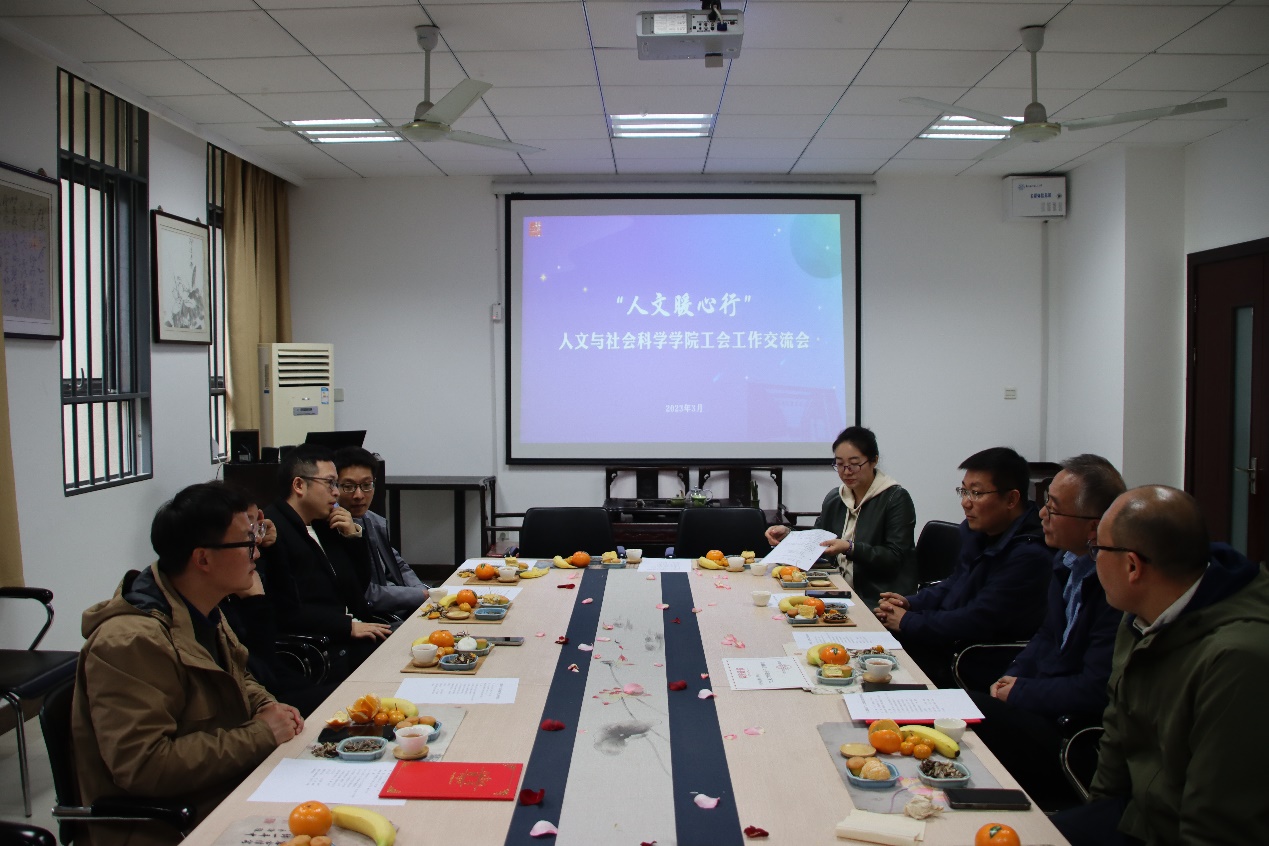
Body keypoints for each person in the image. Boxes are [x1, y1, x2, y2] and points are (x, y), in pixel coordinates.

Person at [71, 483, 302, 846]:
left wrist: (267, 707)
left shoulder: (201, 607)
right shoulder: (130, 642)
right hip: (170, 825)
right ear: (203, 559)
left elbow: (238, 674)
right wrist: (261, 734)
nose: (257, 551)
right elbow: (145, 766)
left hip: (224, 786)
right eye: (247, 542)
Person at [1052, 486, 1269, 846]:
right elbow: (1118, 730)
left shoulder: (1237, 661)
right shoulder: (1140, 616)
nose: (1093, 559)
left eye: (1097, 549)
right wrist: (1094, 816)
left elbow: (1220, 824)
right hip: (1136, 816)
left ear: (1132, 566)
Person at [967, 454, 1125, 809]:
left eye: (1053, 508)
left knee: (967, 712)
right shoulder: (1067, 562)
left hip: (1072, 730)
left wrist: (1022, 691)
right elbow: (1047, 635)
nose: (1041, 514)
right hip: (1042, 702)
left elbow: (1094, 689)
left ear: (1093, 527)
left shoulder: (1114, 590)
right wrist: (1013, 675)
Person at [873, 446, 1052, 687]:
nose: (966, 503)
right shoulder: (980, 533)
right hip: (949, 640)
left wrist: (908, 622)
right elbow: (956, 583)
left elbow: (978, 619)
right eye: (963, 491)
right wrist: (911, 603)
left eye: (976, 493)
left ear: (1011, 499)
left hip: (975, 659)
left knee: (879, 664)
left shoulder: (1029, 555)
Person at [259, 444, 391, 683]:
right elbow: (285, 609)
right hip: (325, 645)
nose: (336, 493)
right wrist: (346, 626)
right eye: (330, 483)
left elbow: (356, 588)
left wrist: (353, 538)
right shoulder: (274, 531)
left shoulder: (323, 523)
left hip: (352, 630)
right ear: (299, 485)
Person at [765, 426, 917, 606]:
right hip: (836, 587)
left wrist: (850, 548)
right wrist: (787, 534)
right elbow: (818, 538)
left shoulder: (895, 498)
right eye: (840, 464)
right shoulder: (836, 498)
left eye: (854, 464)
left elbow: (895, 557)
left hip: (878, 597)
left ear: (874, 460)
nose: (846, 471)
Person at [335, 446, 429, 620]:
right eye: (348, 486)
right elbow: (366, 593)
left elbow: (398, 564)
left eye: (366, 485)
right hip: (376, 617)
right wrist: (420, 596)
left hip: (400, 604)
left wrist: (422, 591)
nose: (358, 495)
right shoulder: (334, 528)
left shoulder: (372, 520)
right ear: (334, 487)